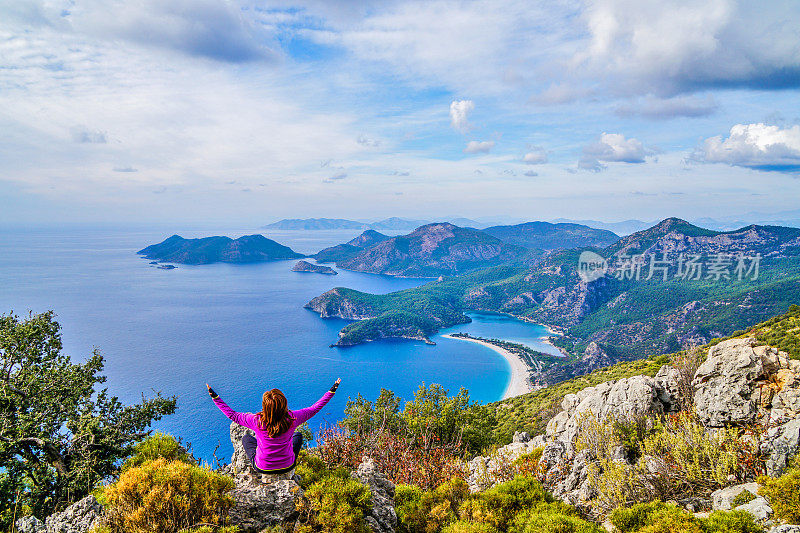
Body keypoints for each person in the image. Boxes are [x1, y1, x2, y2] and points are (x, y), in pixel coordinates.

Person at [207, 378, 341, 474]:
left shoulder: (256, 420)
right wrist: (332, 390)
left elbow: (233, 415)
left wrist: (215, 397)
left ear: (265, 406)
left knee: (246, 438)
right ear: (284, 404)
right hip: (287, 466)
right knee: (298, 436)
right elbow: (314, 408)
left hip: (263, 467)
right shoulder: (293, 418)